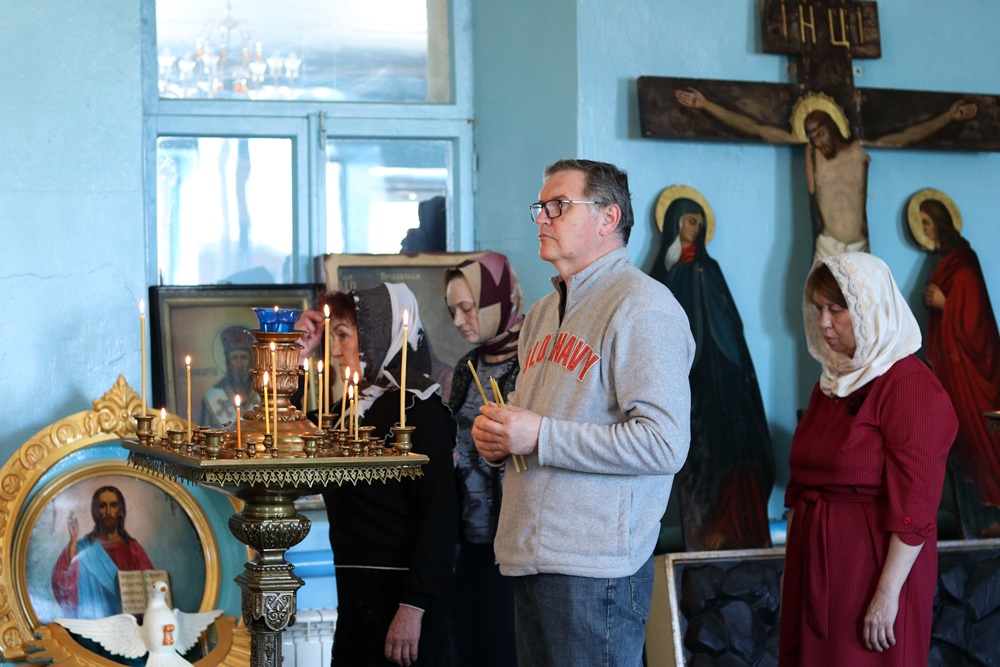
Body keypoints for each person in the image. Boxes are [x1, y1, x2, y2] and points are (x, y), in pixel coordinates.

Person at [471, 159, 695, 666]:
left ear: (607, 218)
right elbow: (539, 422)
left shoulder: (643, 306)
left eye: (558, 206)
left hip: (597, 570)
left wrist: (540, 436)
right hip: (529, 552)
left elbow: (664, 444)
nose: (541, 218)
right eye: (540, 207)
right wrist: (501, 438)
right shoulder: (542, 314)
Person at [780, 252, 957, 666]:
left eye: (836, 310)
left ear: (870, 309)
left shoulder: (909, 385)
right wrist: (793, 565)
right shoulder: (833, 382)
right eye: (819, 309)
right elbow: (803, 484)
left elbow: (917, 504)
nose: (824, 323)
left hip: (871, 566)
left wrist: (887, 593)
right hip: (817, 564)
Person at [295, 283, 458, 667]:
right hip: (355, 596)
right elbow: (289, 443)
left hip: (405, 604)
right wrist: (297, 358)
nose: (335, 350)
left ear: (376, 335)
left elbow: (440, 516)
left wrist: (413, 607)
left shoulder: (420, 409)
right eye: (333, 337)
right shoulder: (348, 412)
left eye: (344, 335)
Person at [674, 87, 978, 261]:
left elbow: (908, 135)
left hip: (860, 246)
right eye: (811, 136)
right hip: (826, 246)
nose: (816, 141)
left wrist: (949, 116)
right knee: (825, 325)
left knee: (865, 327)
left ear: (832, 126)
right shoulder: (811, 153)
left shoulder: (857, 150)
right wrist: (707, 105)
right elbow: (757, 128)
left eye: (819, 133)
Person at [649, 195, 774, 551]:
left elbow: (731, 321)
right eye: (691, 220)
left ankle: (737, 525)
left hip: (726, 372)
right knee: (700, 450)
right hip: (693, 377)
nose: (698, 227)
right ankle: (707, 528)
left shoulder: (711, 269)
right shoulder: (663, 275)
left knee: (736, 446)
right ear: (675, 224)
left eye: (700, 221)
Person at [443, 251, 524, 667]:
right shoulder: (467, 366)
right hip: (471, 543)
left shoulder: (534, 360)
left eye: (467, 307)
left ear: (496, 300)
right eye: (452, 311)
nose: (459, 320)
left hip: (517, 551)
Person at [919, 198, 1000, 538]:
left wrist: (945, 303)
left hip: (974, 375)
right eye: (921, 223)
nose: (924, 229)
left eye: (927, 222)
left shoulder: (963, 264)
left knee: (982, 442)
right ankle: (978, 521)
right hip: (957, 375)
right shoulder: (949, 263)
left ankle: (992, 517)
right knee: (964, 443)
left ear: (940, 223)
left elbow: (975, 324)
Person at [51, 486, 155, 619]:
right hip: (91, 624)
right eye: (102, 506)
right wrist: (72, 545)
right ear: (96, 511)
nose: (108, 512)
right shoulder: (82, 547)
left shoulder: (132, 549)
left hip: (126, 624)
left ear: (120, 510)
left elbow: (151, 591)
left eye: (113, 505)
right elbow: (63, 588)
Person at [201, 325, 259, 427]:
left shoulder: (262, 392)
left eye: (244, 357)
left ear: (251, 361)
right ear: (228, 362)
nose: (240, 364)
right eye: (234, 358)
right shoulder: (212, 397)